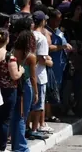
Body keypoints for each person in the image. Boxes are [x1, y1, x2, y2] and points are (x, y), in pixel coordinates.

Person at [0, 29, 24, 152]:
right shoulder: (9, 56)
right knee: (5, 120)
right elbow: (14, 76)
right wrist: (21, 71)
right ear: (7, 39)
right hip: (7, 91)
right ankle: (2, 148)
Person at [11, 30, 38, 152]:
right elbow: (33, 77)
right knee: (23, 116)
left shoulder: (12, 52)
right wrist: (36, 93)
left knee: (16, 116)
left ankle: (16, 144)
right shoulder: (30, 57)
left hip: (14, 84)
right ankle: (21, 146)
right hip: (25, 85)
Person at [30, 11, 52, 139]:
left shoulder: (29, 35)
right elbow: (41, 59)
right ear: (43, 21)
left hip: (30, 74)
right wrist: (50, 62)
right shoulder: (42, 38)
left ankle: (29, 126)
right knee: (38, 104)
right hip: (39, 74)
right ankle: (35, 128)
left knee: (29, 104)